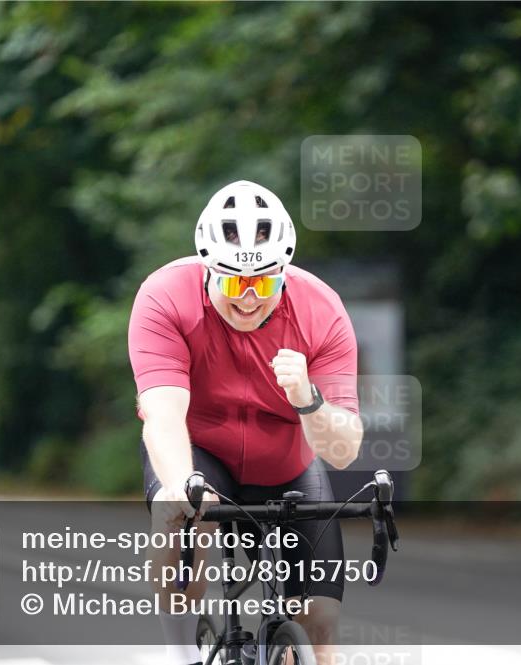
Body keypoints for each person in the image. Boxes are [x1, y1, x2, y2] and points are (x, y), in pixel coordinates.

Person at [128, 180, 363, 665]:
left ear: (284, 273)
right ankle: (181, 655)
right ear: (209, 270)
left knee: (319, 619)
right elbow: (164, 413)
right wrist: (178, 486)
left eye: (266, 283)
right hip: (201, 451)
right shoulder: (165, 296)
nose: (251, 298)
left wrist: (308, 400)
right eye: (236, 282)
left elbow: (344, 450)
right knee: (182, 512)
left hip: (286, 463)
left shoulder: (320, 310)